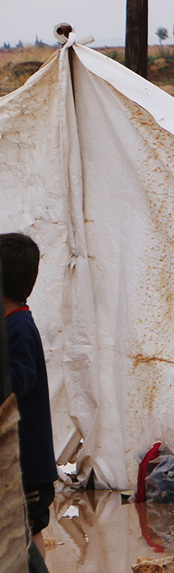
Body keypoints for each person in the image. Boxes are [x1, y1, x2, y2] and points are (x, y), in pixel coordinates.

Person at [2, 233, 57, 553]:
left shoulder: (19, 328)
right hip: (15, 463)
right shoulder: (10, 324)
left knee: (30, 531)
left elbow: (17, 381)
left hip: (28, 466)